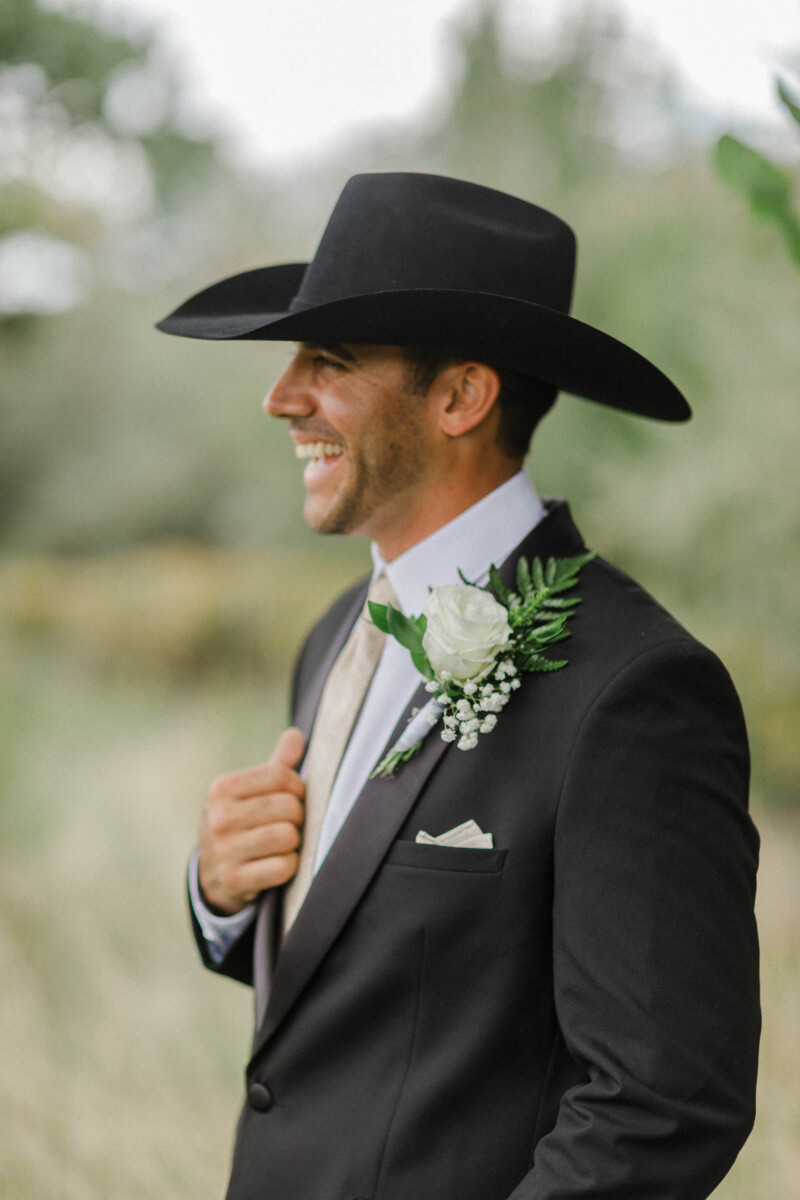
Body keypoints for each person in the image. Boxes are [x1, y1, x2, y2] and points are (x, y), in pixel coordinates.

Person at [157, 172, 760, 1200]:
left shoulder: (633, 691)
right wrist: (222, 897)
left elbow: (663, 1104)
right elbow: (365, 976)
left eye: (328, 360)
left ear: (459, 395)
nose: (279, 396)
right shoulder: (335, 636)